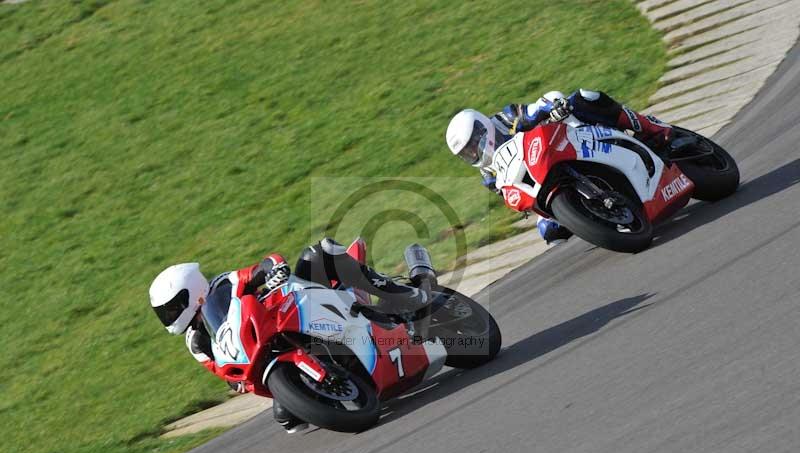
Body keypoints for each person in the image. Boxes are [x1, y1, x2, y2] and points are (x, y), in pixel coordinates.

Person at [148, 238, 429, 434]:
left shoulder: (226, 283)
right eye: (166, 313)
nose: (170, 317)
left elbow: (262, 267)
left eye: (172, 309)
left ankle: (408, 296)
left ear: (189, 292)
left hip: (298, 309)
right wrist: (237, 383)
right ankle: (339, 381)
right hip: (268, 357)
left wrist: (273, 270)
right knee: (286, 416)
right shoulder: (197, 342)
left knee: (322, 251)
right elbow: (222, 370)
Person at [445, 89, 673, 245]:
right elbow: (514, 194)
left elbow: (535, 109)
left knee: (585, 97)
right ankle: (603, 216)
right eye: (467, 152)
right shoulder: (488, 175)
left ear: (481, 127)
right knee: (551, 233)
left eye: (474, 143)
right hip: (545, 182)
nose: (474, 151)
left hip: (566, 140)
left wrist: (552, 107)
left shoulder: (505, 119)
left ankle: (649, 126)